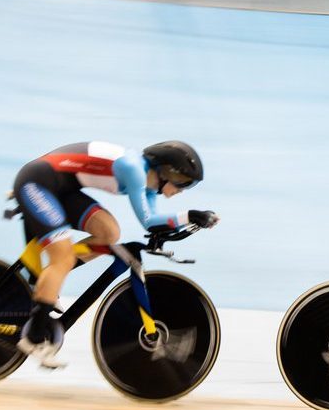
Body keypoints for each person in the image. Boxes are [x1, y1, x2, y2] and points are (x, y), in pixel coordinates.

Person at [12, 140, 219, 368]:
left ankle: (49, 280)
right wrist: (189, 215)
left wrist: (192, 221)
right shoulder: (134, 169)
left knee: (109, 232)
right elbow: (149, 221)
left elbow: (154, 223)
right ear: (167, 172)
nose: (181, 191)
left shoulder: (150, 186)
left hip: (61, 189)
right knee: (62, 258)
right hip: (38, 183)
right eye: (183, 184)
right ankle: (33, 338)